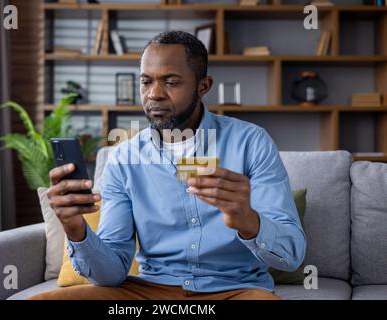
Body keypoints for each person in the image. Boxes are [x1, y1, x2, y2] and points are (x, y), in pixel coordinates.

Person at [31, 31, 306, 300]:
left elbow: (291, 255)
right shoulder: (123, 159)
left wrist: (249, 221)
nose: (154, 94)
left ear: (203, 86)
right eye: (146, 82)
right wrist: (76, 230)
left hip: (235, 289)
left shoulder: (251, 143)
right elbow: (111, 275)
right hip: (148, 290)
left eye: (171, 82)